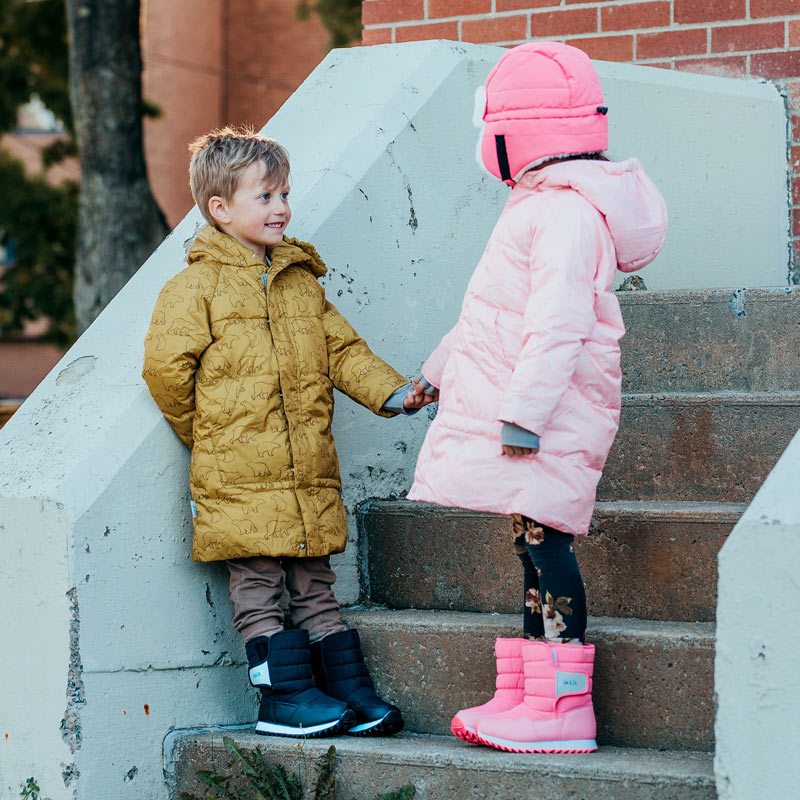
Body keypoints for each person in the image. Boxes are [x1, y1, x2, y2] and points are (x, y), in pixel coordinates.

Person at [407, 42, 667, 753]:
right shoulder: (541, 205)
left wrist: (523, 414)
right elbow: (489, 314)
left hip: (545, 416)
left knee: (546, 547)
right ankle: (529, 694)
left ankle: (562, 708)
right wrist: (437, 373)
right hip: (530, 413)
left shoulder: (565, 214)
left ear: (515, 133)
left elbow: (557, 323)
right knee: (530, 545)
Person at [143, 126, 431, 739]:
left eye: (284, 195)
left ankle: (344, 692)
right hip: (238, 475)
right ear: (220, 210)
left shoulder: (301, 283)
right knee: (258, 587)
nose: (281, 208)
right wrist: (211, 434)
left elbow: (343, 351)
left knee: (315, 585)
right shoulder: (196, 288)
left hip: (306, 473)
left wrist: (393, 392)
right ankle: (282, 700)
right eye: (265, 197)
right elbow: (166, 371)